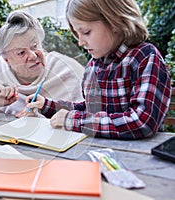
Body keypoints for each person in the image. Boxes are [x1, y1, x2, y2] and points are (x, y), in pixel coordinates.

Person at [21, 0, 171, 139]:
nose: (80, 42)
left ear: (114, 22)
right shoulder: (93, 66)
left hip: (137, 156)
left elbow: (142, 122)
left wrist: (74, 121)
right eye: (77, 34)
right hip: (98, 150)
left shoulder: (145, 58)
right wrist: (48, 106)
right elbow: (90, 109)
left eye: (86, 32)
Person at [0, 10, 85, 116]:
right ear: (7, 60)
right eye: (21, 53)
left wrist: (41, 119)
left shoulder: (66, 68)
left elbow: (91, 113)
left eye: (34, 46)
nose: (32, 56)